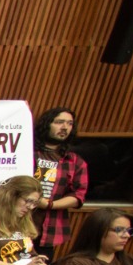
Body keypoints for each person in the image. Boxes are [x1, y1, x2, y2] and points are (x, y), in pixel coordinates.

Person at [33, 108, 87, 257]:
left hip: (49, 229)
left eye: (70, 124)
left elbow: (78, 196)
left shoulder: (75, 161)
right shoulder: (26, 153)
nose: (65, 127)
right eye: (59, 122)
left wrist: (49, 204)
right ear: (46, 124)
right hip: (18, 224)